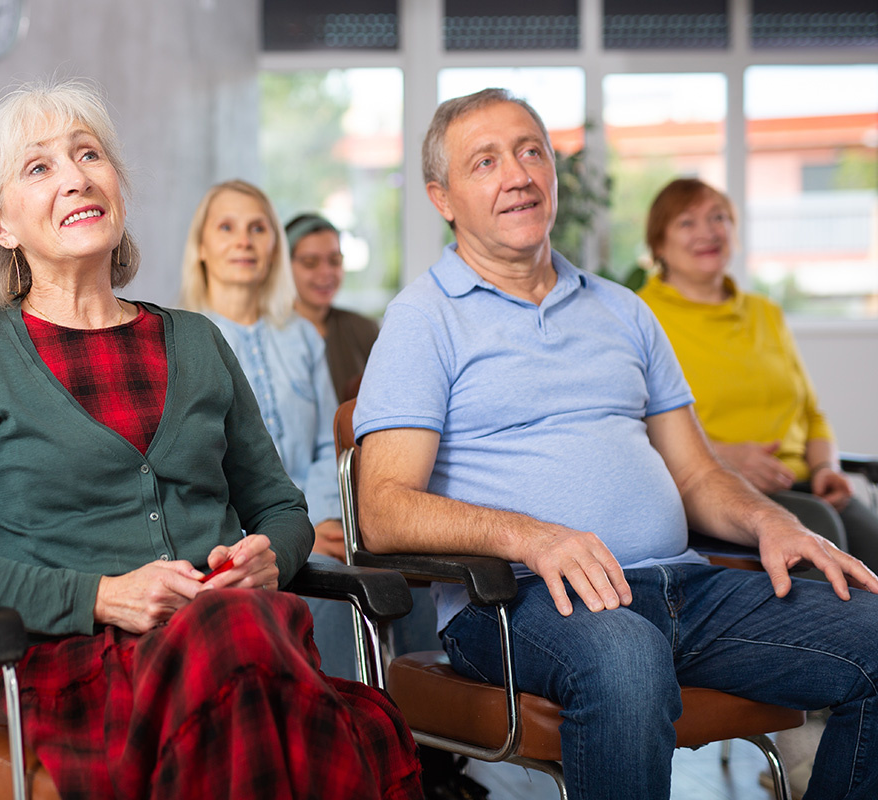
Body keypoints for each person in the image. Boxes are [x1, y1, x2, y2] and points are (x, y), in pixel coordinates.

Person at [0, 79, 420, 800]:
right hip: (83, 665)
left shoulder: (196, 340)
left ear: (118, 190)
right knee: (271, 671)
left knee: (237, 633)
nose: (76, 177)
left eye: (90, 155)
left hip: (242, 646)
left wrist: (271, 558)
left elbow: (281, 510)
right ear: (2, 225)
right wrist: (100, 596)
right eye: (39, 168)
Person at [352, 87, 878, 799]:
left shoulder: (623, 309)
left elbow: (694, 474)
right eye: (486, 161)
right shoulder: (423, 320)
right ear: (442, 197)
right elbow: (382, 509)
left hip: (681, 585)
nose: (518, 174)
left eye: (531, 151)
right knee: (624, 657)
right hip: (519, 604)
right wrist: (534, 537)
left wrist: (770, 521)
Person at [179, 182, 471, 799]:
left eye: (258, 227)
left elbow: (318, 451)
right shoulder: (179, 340)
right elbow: (197, 470)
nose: (245, 241)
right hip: (234, 537)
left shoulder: (301, 340)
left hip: (310, 516)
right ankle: (345, 765)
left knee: (398, 577)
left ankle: (430, 755)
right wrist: (288, 534)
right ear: (201, 246)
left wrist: (315, 519)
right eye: (227, 227)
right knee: (337, 598)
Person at [637, 177, 878, 573]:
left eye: (718, 218)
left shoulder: (767, 313)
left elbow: (812, 414)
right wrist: (724, 456)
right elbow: (636, 429)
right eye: (686, 222)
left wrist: (826, 469)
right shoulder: (641, 315)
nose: (708, 232)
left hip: (808, 487)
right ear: (658, 244)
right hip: (728, 494)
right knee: (819, 536)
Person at [285, 213, 379, 401]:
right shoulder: (267, 335)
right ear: (284, 266)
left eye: (335, 261)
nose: (326, 272)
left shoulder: (364, 329)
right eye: (310, 263)